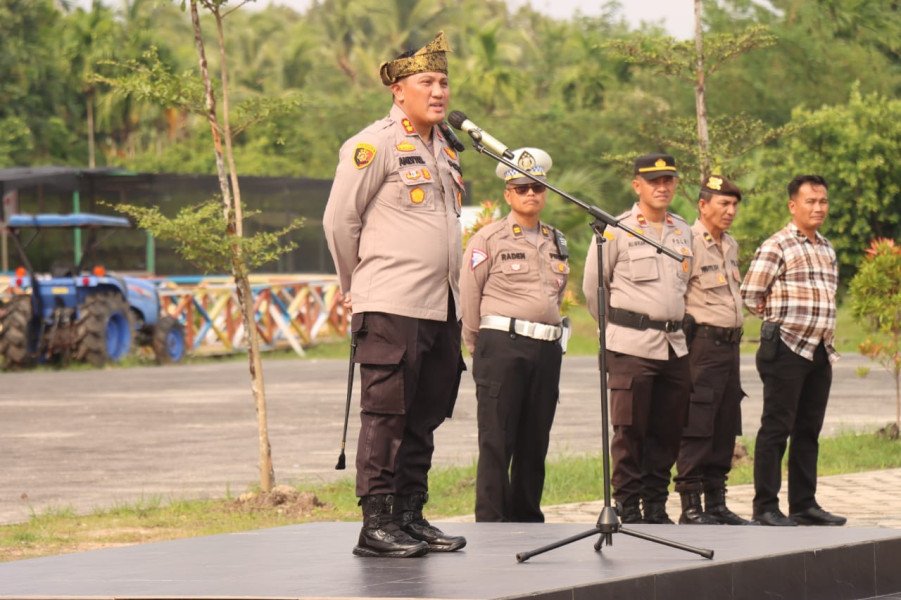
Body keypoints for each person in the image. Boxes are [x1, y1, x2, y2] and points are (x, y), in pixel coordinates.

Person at [322, 31, 468, 557]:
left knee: (425, 413)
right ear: (398, 89)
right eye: (427, 81)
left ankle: (410, 515)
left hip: (441, 305)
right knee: (386, 414)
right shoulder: (374, 144)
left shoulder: (447, 148)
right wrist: (354, 285)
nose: (439, 91)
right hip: (390, 303)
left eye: (444, 82)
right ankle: (377, 523)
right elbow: (340, 221)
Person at [582, 153, 692, 524]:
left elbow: (685, 288)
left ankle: (656, 504)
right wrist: (615, 332)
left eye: (668, 180)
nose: (662, 187)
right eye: (653, 181)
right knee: (629, 431)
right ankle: (628, 506)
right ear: (637, 186)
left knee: (668, 430)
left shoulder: (683, 231)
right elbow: (593, 288)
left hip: (674, 345)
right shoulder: (618, 229)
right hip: (631, 346)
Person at [460, 148, 569, 522]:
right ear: (507, 194)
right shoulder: (488, 239)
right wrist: (478, 346)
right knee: (496, 440)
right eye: (521, 188)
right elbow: (470, 295)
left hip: (546, 347)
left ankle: (527, 519)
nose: (530, 195)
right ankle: (491, 524)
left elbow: (556, 291)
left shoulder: (557, 241)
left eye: (537, 187)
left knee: (534, 440)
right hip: (502, 347)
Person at [740, 174, 846, 527]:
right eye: (810, 202)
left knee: (808, 430)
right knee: (776, 428)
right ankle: (765, 508)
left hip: (819, 349)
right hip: (785, 346)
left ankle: (804, 504)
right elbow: (751, 294)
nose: (818, 208)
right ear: (792, 206)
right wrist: (781, 318)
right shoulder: (777, 245)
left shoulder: (826, 247)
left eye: (823, 202)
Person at [674, 175, 750, 525]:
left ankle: (716, 502)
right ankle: (691, 506)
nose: (730, 210)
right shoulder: (686, 242)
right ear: (703, 205)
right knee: (697, 422)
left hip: (730, 346)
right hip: (701, 344)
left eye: (734, 204)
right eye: (723, 203)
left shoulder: (730, 244)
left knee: (724, 421)